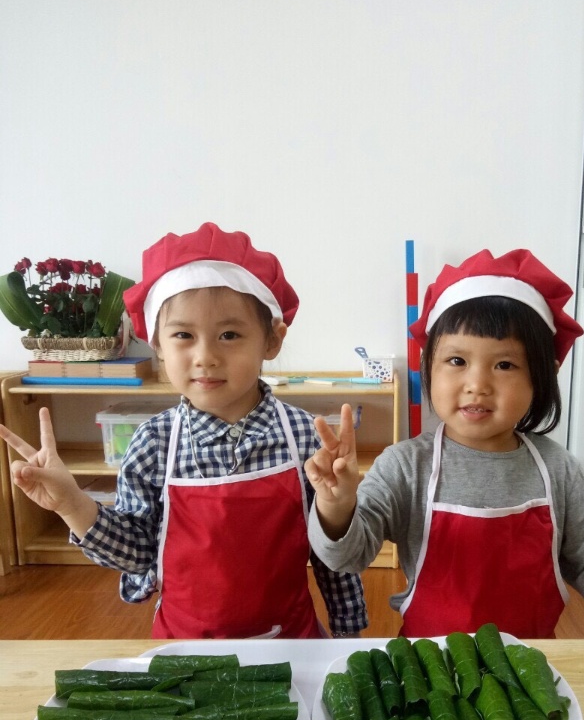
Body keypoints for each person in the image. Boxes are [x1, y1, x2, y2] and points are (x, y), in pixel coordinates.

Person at [306, 247, 584, 690]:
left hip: (528, 679)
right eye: (457, 361)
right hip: (426, 677)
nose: (477, 384)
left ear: (541, 377)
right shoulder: (405, 466)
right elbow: (347, 556)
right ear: (428, 367)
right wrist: (336, 507)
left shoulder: (556, 469)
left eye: (504, 364)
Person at [0, 222, 367, 640]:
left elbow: (331, 554)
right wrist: (71, 504)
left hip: (291, 643)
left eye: (229, 334)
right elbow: (138, 553)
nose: (205, 356)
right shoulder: (153, 443)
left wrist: (347, 634)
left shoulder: (304, 437)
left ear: (272, 341)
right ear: (157, 344)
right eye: (183, 335)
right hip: (184, 652)